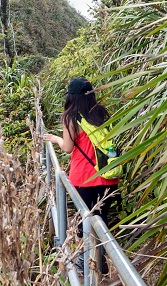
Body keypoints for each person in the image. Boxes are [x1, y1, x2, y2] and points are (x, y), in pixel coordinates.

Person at [43, 76, 121, 270]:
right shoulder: (101, 113)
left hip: (85, 178)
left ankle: (86, 262)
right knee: (101, 218)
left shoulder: (70, 116)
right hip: (108, 175)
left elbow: (68, 147)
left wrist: (55, 139)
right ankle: (99, 258)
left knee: (85, 222)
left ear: (71, 97)